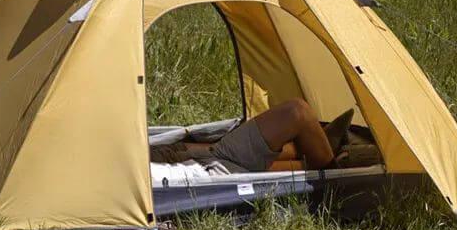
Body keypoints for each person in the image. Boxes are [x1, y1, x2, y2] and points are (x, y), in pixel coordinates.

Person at [150, 98, 352, 174]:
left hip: (204, 152)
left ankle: (317, 152)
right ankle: (331, 171)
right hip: (206, 163)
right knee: (297, 112)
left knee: (296, 113)